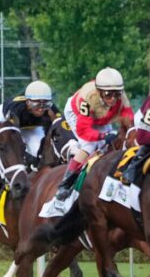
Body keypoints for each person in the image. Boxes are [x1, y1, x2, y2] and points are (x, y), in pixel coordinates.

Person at [54, 67, 134, 200]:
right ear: (100, 91)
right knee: (90, 146)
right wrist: (102, 136)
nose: (113, 99)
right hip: (77, 114)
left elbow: (129, 119)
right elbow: (84, 130)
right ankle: (65, 184)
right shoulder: (88, 98)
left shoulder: (121, 97)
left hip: (101, 114)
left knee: (113, 144)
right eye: (109, 94)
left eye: (117, 94)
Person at [0, 80, 61, 170]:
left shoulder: (52, 110)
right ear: (27, 102)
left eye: (45, 104)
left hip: (31, 126)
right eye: (36, 104)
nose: (41, 109)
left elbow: (59, 129)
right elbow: (12, 138)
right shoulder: (16, 110)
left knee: (36, 151)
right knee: (9, 147)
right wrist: (26, 156)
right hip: (7, 120)